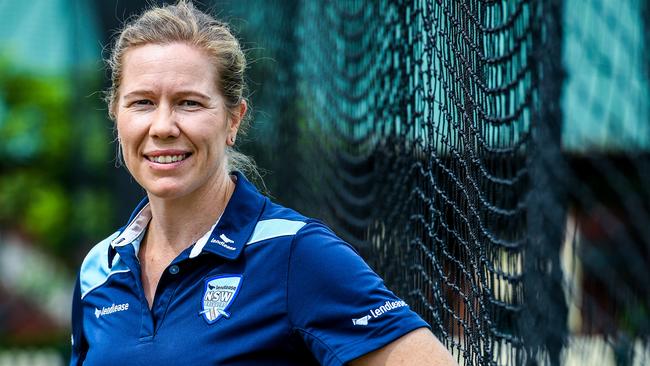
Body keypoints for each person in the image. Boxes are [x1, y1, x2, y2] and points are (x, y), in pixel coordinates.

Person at [70, 1, 457, 365]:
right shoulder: (98, 270)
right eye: (142, 103)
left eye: (190, 103)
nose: (163, 127)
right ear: (115, 115)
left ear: (234, 120)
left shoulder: (295, 252)